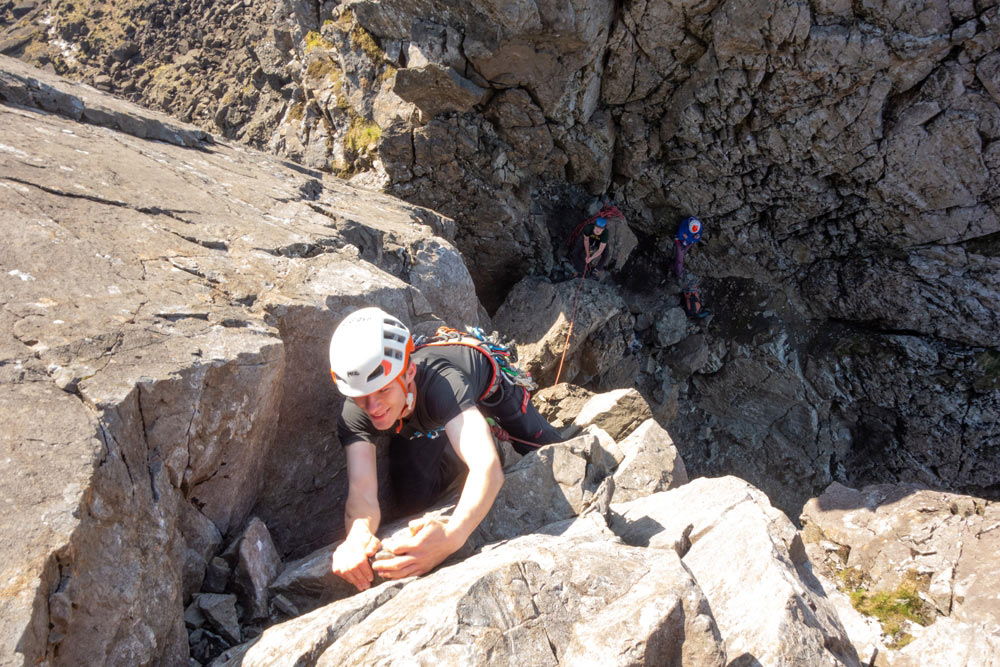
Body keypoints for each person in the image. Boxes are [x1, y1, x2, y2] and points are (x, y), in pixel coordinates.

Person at [327, 307, 562, 591]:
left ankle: (475, 434)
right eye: (362, 397)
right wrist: (356, 537)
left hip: (489, 388)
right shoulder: (355, 412)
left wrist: (452, 536)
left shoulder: (443, 384)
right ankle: (462, 440)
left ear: (409, 371)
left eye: (383, 391)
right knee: (414, 500)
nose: (373, 408)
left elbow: (487, 468)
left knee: (546, 446)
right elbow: (362, 491)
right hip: (423, 416)